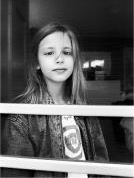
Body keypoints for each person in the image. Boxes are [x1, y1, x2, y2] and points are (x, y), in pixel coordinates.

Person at [2, 22, 109, 177]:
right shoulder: (21, 117)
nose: (60, 59)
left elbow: (102, 166)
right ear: (37, 63)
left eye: (67, 52)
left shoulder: (85, 110)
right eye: (49, 53)